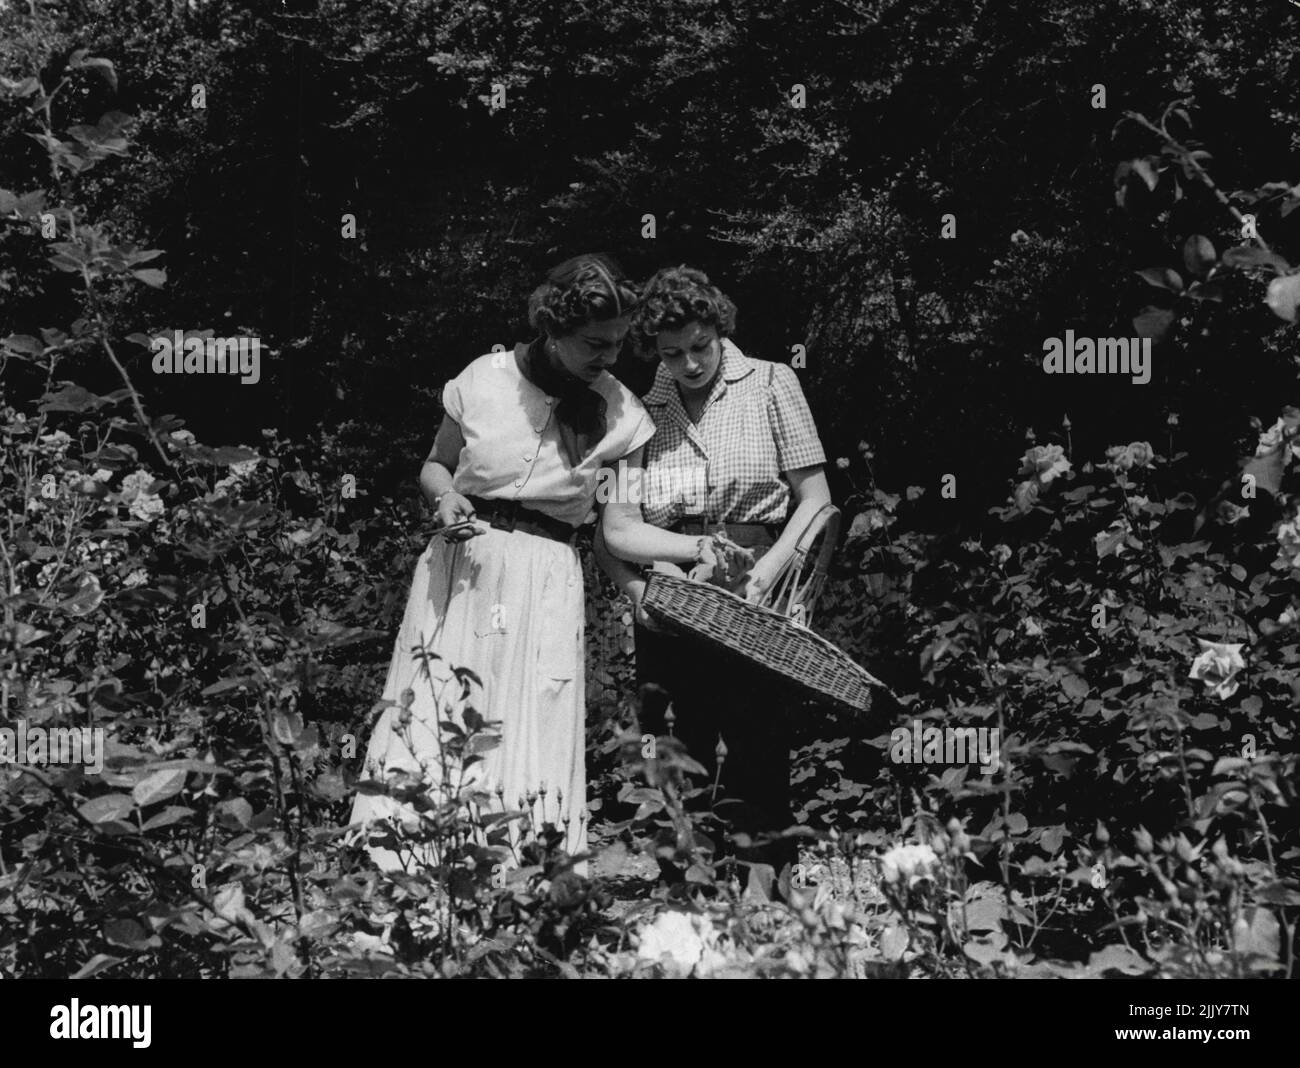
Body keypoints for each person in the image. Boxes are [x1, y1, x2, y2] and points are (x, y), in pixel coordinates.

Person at [350, 254, 746, 873]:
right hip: (463, 565)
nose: (609, 358)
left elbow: (620, 528)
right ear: (554, 329)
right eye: (594, 344)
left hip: (545, 576)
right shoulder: (484, 378)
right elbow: (435, 465)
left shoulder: (624, 415)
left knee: (533, 713)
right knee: (439, 702)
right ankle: (411, 863)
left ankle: (526, 871)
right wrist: (444, 496)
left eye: (618, 344)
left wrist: (696, 547)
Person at [596, 265, 831, 886]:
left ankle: (764, 882)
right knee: (673, 733)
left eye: (700, 346)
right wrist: (648, 587)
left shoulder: (772, 383)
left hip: (758, 571)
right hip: (674, 584)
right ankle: (686, 885)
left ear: (719, 329)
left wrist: (768, 574)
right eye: (672, 353)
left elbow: (815, 499)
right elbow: (616, 528)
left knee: (757, 731)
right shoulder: (637, 413)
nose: (690, 363)